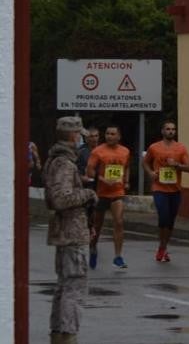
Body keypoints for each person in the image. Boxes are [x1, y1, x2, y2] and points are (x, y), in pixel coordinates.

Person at [45, 116, 98, 344]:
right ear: (73, 135)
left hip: (67, 231)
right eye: (79, 135)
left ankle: (59, 334)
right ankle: (68, 336)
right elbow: (60, 199)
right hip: (72, 233)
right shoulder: (64, 164)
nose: (81, 140)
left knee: (64, 286)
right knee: (73, 287)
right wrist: (88, 194)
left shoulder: (56, 160)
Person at [142, 119, 189, 262]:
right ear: (163, 131)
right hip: (159, 188)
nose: (171, 131)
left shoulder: (181, 148)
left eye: (173, 129)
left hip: (175, 190)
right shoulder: (154, 147)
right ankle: (162, 247)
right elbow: (145, 162)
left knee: (170, 221)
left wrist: (176, 164)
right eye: (168, 129)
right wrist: (150, 173)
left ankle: (163, 247)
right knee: (163, 217)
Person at [86, 124, 130, 269]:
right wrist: (103, 179)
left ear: (119, 136)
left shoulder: (125, 151)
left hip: (117, 192)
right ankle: (93, 248)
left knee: (119, 221)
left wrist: (126, 181)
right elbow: (90, 170)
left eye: (112, 134)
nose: (109, 136)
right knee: (97, 226)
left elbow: (127, 166)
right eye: (107, 134)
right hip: (101, 193)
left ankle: (118, 257)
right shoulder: (98, 151)